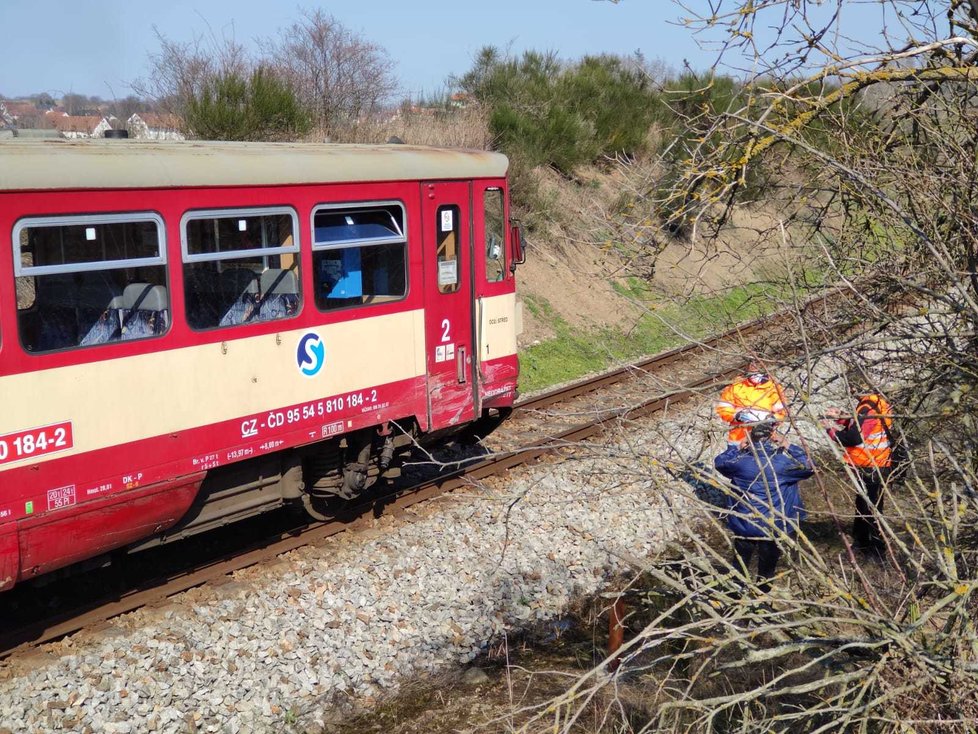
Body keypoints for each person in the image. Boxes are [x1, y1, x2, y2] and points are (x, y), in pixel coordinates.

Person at [714, 420, 814, 593]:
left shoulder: (739, 462)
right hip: (773, 524)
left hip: (744, 522)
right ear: (771, 439)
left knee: (741, 559)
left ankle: (736, 590)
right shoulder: (782, 464)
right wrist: (789, 445)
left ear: (750, 439)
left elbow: (720, 463)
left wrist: (737, 447)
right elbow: (809, 467)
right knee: (768, 564)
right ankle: (762, 591)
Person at [822, 376, 896, 557]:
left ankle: (875, 548)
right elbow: (861, 427)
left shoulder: (867, 407)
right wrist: (841, 418)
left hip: (870, 465)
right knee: (865, 504)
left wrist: (829, 430)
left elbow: (854, 438)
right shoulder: (878, 403)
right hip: (874, 463)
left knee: (871, 507)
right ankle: (862, 541)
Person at [715, 361, 788, 445]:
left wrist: (771, 419)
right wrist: (737, 415)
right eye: (752, 366)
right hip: (738, 439)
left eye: (757, 365)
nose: (754, 368)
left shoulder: (774, 388)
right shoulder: (735, 386)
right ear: (747, 368)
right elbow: (723, 408)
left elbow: (782, 412)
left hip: (764, 437)